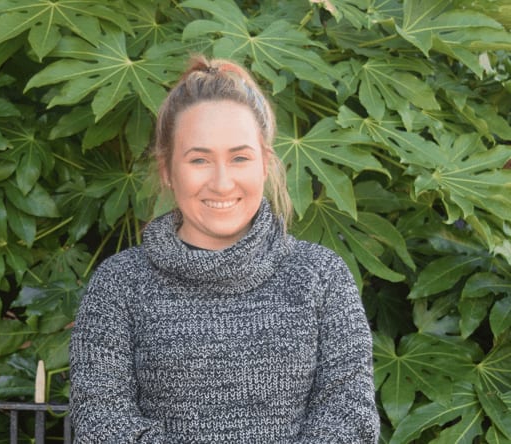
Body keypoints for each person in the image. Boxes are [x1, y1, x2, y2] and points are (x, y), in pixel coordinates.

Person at [68, 55, 379, 443]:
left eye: (239, 158)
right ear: (167, 169)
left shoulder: (322, 276)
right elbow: (101, 425)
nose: (221, 182)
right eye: (199, 159)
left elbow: (350, 416)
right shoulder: (118, 285)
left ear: (264, 164)